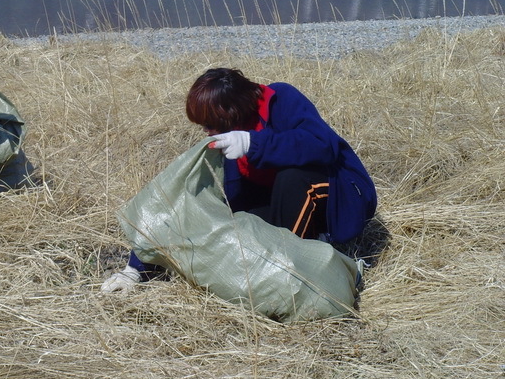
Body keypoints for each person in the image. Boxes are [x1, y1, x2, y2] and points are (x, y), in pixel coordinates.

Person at [102, 67, 377, 292]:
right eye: (204, 126)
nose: (208, 132)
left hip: (341, 194)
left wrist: (253, 143)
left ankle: (297, 273)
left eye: (212, 125)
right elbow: (194, 206)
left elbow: (323, 146)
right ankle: (278, 268)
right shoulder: (226, 143)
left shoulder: (280, 99)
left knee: (292, 177)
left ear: (233, 112)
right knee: (232, 223)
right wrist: (136, 269)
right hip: (283, 201)